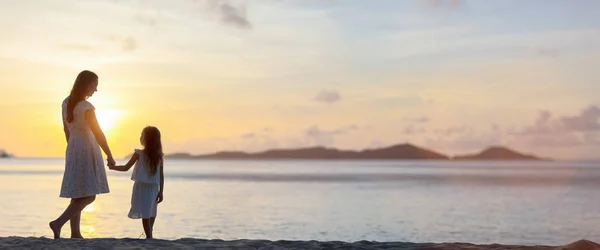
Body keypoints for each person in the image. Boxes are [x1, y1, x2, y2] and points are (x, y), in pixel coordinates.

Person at [50, 70, 115, 239]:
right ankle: (58, 223)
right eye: (94, 86)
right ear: (86, 85)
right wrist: (109, 154)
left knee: (77, 192)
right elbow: (98, 133)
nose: (95, 90)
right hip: (86, 147)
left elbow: (66, 129)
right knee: (89, 195)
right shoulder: (87, 107)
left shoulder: (66, 103)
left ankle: (75, 233)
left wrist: (72, 148)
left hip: (73, 147)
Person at [109, 126, 165, 239]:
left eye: (142, 135)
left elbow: (126, 168)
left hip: (148, 187)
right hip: (151, 187)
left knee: (149, 213)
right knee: (149, 212)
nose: (141, 137)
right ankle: (150, 236)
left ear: (146, 139)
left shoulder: (149, 155)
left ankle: (149, 236)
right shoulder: (148, 154)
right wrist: (161, 191)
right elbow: (161, 176)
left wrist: (112, 167)